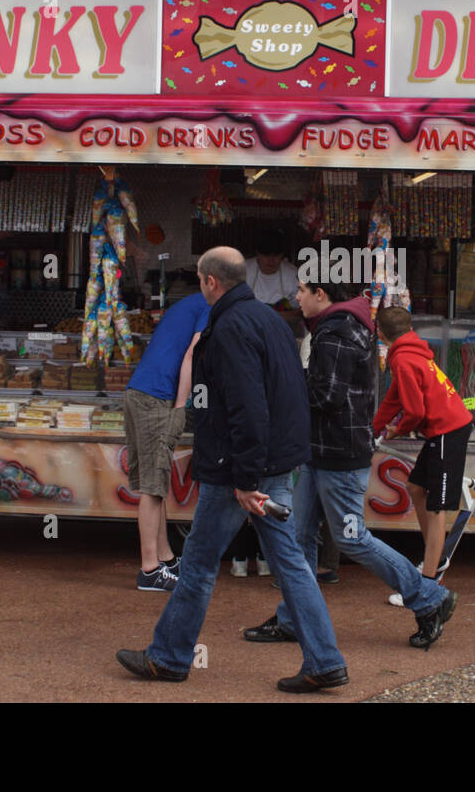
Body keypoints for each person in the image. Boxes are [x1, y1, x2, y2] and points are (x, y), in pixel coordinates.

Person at [116, 247, 348, 693]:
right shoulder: (270, 321)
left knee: (201, 563)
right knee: (291, 565)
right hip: (271, 462)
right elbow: (286, 395)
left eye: (200, 280)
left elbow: (246, 408)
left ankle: (168, 657)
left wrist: (245, 479)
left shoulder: (227, 329)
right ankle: (324, 659)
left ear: (210, 282)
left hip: (238, 469)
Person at [245, 280, 457, 650]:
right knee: (299, 534)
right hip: (322, 451)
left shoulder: (335, 333)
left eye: (302, 290)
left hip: (338, 454)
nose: (296, 298)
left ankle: (428, 597)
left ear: (321, 294)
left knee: (350, 537)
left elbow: (326, 394)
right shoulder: (346, 326)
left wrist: (281, 384)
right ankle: (293, 618)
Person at [373, 306, 474, 581]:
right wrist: (373, 428)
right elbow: (394, 398)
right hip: (445, 428)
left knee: (437, 504)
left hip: (448, 430)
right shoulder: (408, 353)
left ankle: (430, 576)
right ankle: (434, 554)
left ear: (380, 333)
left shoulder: (403, 360)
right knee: (416, 488)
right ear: (409, 329)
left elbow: (414, 411)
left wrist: (397, 430)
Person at [124, 292, 210, 592]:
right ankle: (149, 569)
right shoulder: (209, 307)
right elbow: (192, 354)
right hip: (157, 398)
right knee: (153, 486)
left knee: (155, 483)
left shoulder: (190, 303)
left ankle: (166, 558)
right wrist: (180, 407)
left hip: (139, 392)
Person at [244, 228, 300, 306]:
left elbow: (300, 309)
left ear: (282, 255)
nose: (271, 260)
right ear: (257, 253)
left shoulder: (292, 274)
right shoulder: (243, 271)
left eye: (276, 255)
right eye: (266, 255)